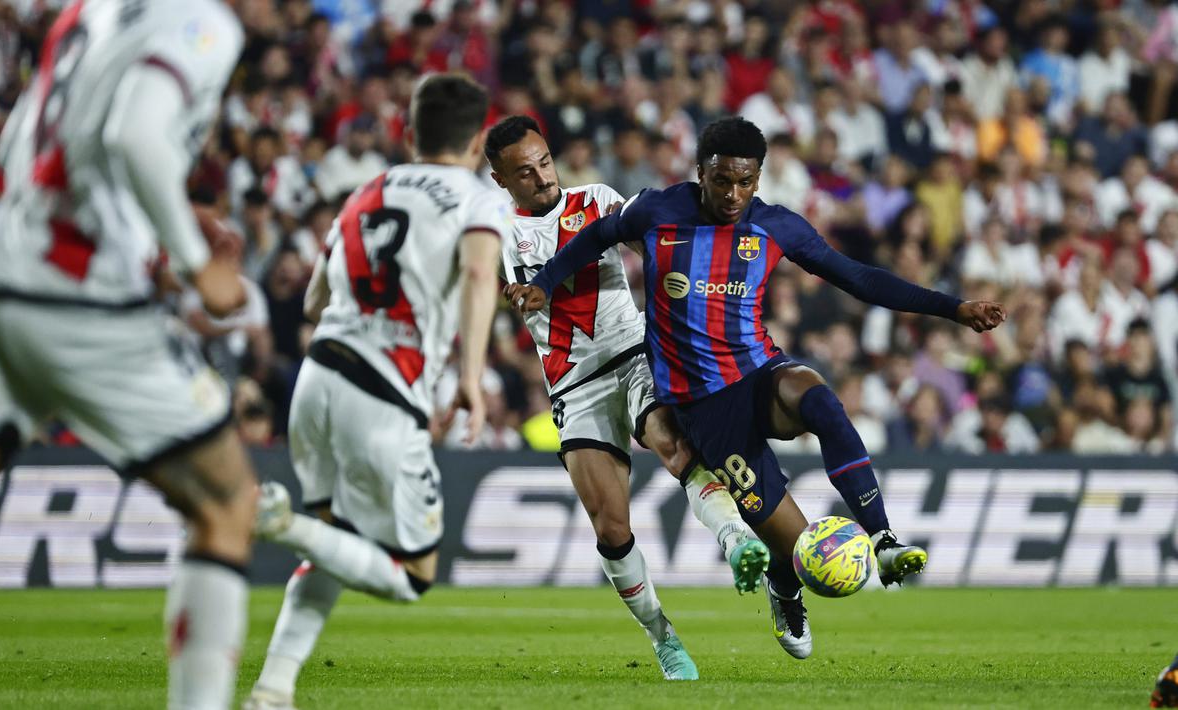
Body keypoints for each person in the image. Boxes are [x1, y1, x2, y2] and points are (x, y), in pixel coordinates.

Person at [506, 117, 1006, 661]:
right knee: (796, 552)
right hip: (704, 410)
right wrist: (545, 283)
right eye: (722, 181)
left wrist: (953, 308)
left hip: (760, 372)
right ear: (701, 173)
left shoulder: (777, 226)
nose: (733, 195)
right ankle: (786, 589)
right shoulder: (657, 211)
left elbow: (859, 277)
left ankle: (883, 538)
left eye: (746, 182)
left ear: (759, 178)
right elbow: (595, 237)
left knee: (819, 399)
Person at [0, 2, 253, 708]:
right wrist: (193, 257)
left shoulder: (96, 9)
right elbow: (136, 135)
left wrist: (142, 217)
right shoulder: (205, 21)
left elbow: (14, 150)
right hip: (79, 299)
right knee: (226, 503)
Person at [245, 74, 511, 710]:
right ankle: (278, 522)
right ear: (478, 142)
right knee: (411, 576)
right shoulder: (476, 198)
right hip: (385, 393)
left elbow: (314, 299)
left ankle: (273, 687)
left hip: (318, 376)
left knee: (335, 543)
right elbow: (479, 275)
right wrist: (470, 376)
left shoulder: (367, 190)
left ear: (410, 132)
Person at [485, 115, 770, 680]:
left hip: (634, 350)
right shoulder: (494, 235)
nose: (542, 177)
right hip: (573, 383)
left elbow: (661, 238)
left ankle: (735, 538)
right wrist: (505, 297)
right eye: (525, 172)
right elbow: (489, 294)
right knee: (611, 530)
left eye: (545, 162)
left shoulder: (598, 199)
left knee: (671, 441)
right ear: (501, 180)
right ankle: (662, 636)